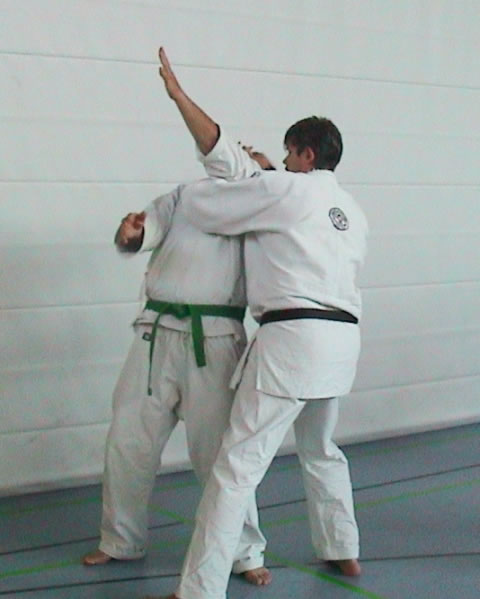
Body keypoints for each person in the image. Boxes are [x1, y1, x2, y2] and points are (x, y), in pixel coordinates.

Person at [147, 48, 369, 599]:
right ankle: (342, 547)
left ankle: (199, 588)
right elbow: (286, 204)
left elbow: (213, 191)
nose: (284, 161)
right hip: (341, 343)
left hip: (293, 342)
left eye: (290, 153)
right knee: (321, 448)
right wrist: (270, 176)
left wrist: (182, 100)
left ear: (306, 153)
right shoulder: (350, 210)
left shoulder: (287, 188)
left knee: (236, 467)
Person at [81, 172, 272, 586]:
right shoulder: (184, 196)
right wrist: (130, 234)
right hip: (155, 332)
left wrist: (268, 170)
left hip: (215, 339)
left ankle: (243, 550)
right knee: (128, 441)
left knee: (219, 452)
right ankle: (121, 540)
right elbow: (141, 233)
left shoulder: (259, 200)